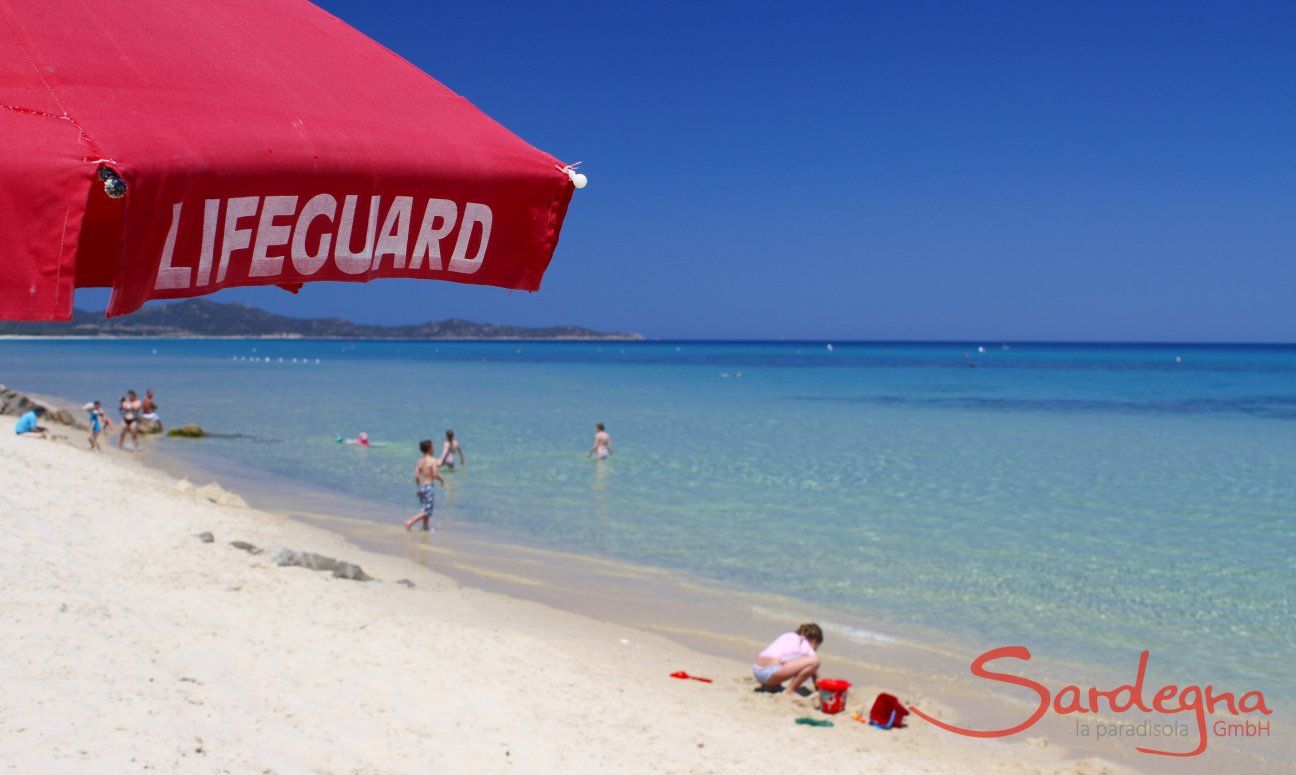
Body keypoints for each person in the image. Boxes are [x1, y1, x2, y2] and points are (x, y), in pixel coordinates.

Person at [753, 623, 823, 696]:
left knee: (784, 661)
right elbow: (815, 675)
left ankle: (771, 687)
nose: (815, 650)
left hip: (757, 670)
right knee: (815, 661)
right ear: (815, 640)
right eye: (816, 647)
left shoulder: (788, 636)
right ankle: (788, 692)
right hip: (769, 673)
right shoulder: (804, 643)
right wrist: (820, 691)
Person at [404, 439, 444, 532]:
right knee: (427, 511)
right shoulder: (432, 460)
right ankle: (410, 522)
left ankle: (425, 527)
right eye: (432, 447)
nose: (433, 449)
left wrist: (418, 486)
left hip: (421, 486)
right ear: (430, 449)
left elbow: (416, 476)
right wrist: (441, 480)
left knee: (424, 508)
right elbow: (434, 474)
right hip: (428, 487)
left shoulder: (420, 461)